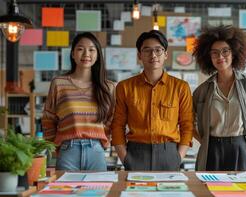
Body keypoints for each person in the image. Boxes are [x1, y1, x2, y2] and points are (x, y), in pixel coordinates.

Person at [192, 25, 246, 171]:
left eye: (225, 51)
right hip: (212, 150)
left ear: (234, 53)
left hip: (241, 148)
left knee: (242, 192)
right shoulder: (202, 90)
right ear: (208, 57)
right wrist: (204, 141)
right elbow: (186, 121)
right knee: (211, 190)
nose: (220, 57)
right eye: (214, 53)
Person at [111, 30, 193, 171]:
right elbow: (117, 125)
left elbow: (187, 125)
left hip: (169, 154)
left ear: (166, 54)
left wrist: (178, 157)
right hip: (135, 153)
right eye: (147, 50)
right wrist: (125, 157)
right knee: (135, 193)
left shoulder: (181, 87)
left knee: (168, 193)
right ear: (139, 55)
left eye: (158, 50)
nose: (153, 55)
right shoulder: (125, 87)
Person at [42, 32, 115, 171]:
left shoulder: (108, 87)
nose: (86, 54)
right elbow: (48, 119)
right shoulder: (59, 84)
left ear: (98, 54)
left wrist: (103, 143)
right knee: (65, 191)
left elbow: (111, 120)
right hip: (67, 151)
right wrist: (53, 147)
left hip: (96, 152)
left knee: (99, 191)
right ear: (73, 54)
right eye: (80, 49)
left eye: (92, 49)